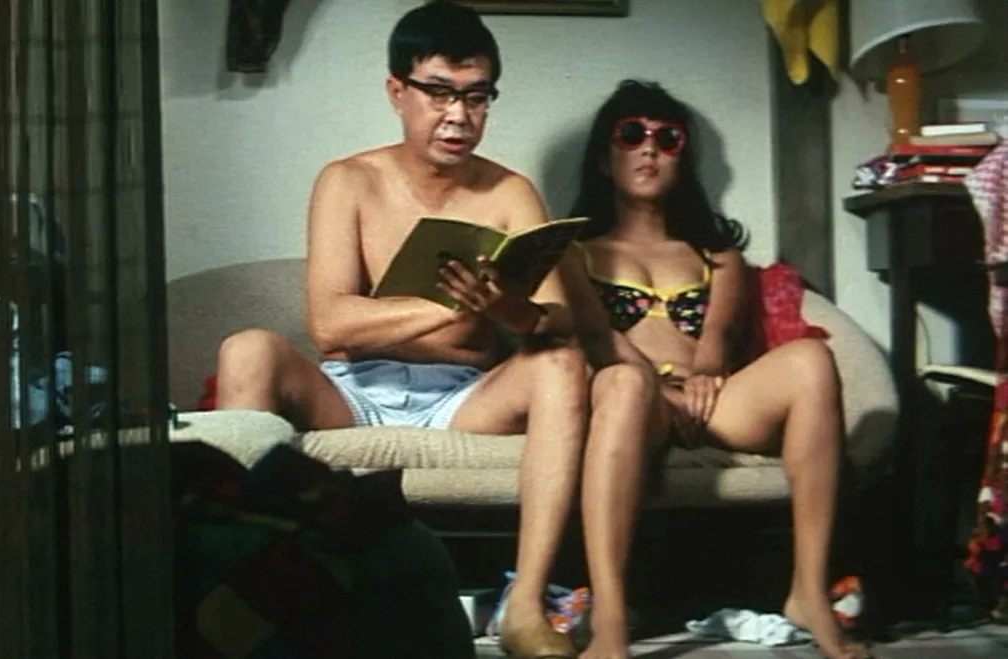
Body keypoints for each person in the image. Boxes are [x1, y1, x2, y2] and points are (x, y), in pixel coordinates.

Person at [216, 4, 592, 657]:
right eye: (439, 93)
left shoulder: (511, 192)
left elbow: (557, 321)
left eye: (476, 97)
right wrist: (459, 306)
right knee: (246, 349)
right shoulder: (348, 180)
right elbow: (331, 322)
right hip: (354, 390)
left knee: (561, 363)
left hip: (464, 397)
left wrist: (510, 311)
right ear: (398, 91)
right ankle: (231, 587)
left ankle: (526, 604)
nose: (458, 116)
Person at [556, 78, 869, 659]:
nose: (649, 149)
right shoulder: (573, 251)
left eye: (667, 139)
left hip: (707, 400)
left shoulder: (717, 253)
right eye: (632, 134)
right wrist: (656, 388)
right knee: (623, 384)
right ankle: (611, 618)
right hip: (630, 400)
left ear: (683, 158)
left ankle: (808, 591)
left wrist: (702, 375)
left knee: (811, 360)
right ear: (604, 157)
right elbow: (596, 339)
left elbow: (718, 338)